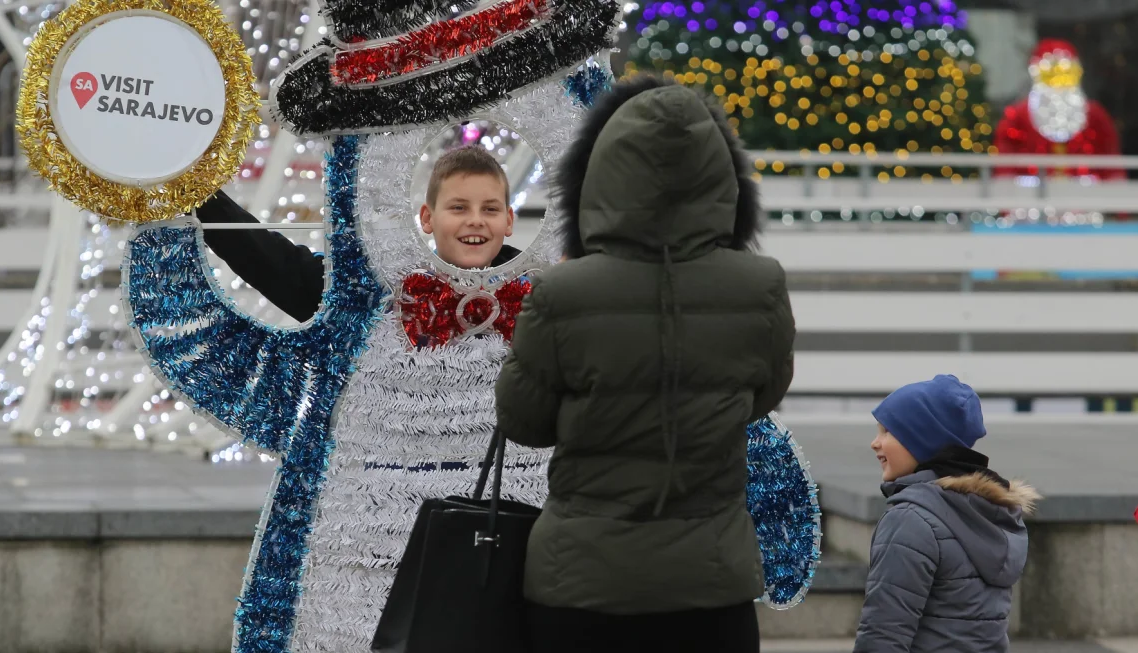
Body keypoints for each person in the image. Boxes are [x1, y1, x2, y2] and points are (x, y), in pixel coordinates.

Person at [493, 77, 795, 653]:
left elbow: (523, 423)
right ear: (721, 179)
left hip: (581, 584)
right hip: (711, 583)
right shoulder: (759, 286)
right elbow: (762, 399)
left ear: (600, 176)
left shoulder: (563, 292)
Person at [197, 144, 520, 322]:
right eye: (459, 208)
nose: (476, 220)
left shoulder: (542, 300)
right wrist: (196, 190)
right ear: (427, 218)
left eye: (490, 209)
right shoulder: (382, 294)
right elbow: (274, 262)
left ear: (508, 220)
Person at [855, 374, 1041, 653]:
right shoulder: (990, 514)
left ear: (920, 440)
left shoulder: (910, 520)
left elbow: (883, 635)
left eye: (887, 431)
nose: (875, 442)